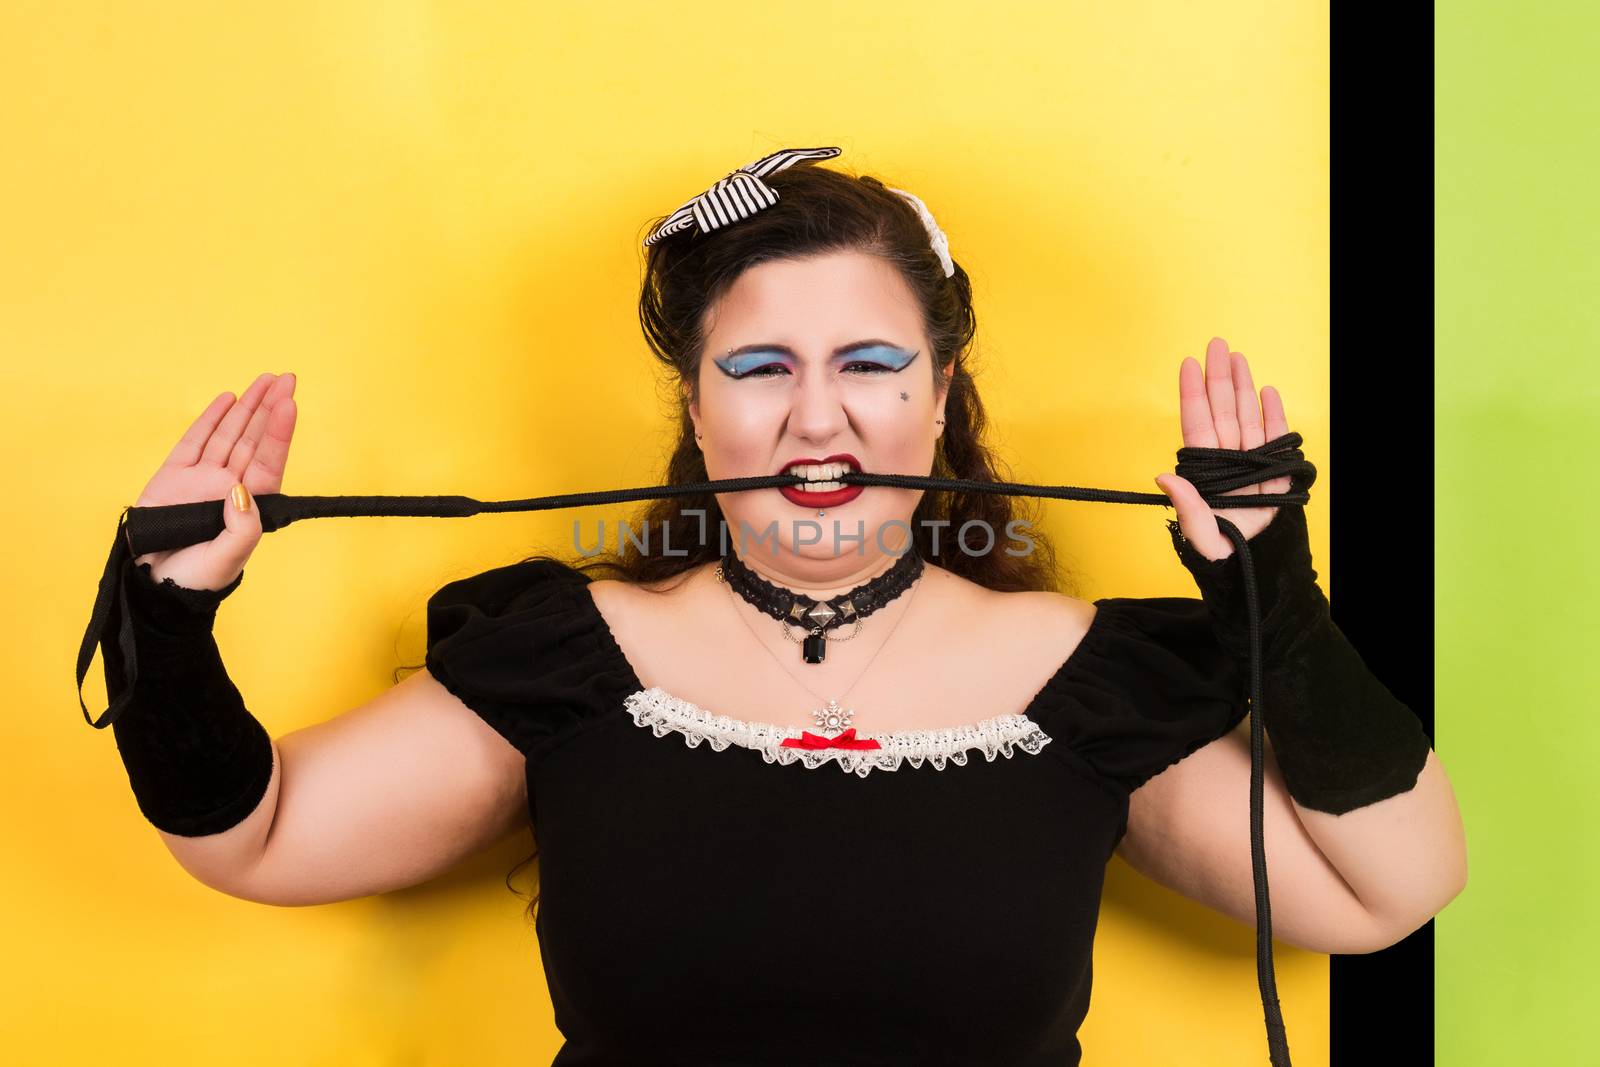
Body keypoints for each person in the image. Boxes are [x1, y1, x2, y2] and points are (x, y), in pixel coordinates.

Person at [101, 147, 1461, 1066]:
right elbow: (257, 839)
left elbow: (1393, 891)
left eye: (871, 362)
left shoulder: (1081, 679)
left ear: (938, 394)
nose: (820, 416)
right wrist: (165, 614)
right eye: (760, 366)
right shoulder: (571, 659)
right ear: (698, 408)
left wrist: (1275, 605)